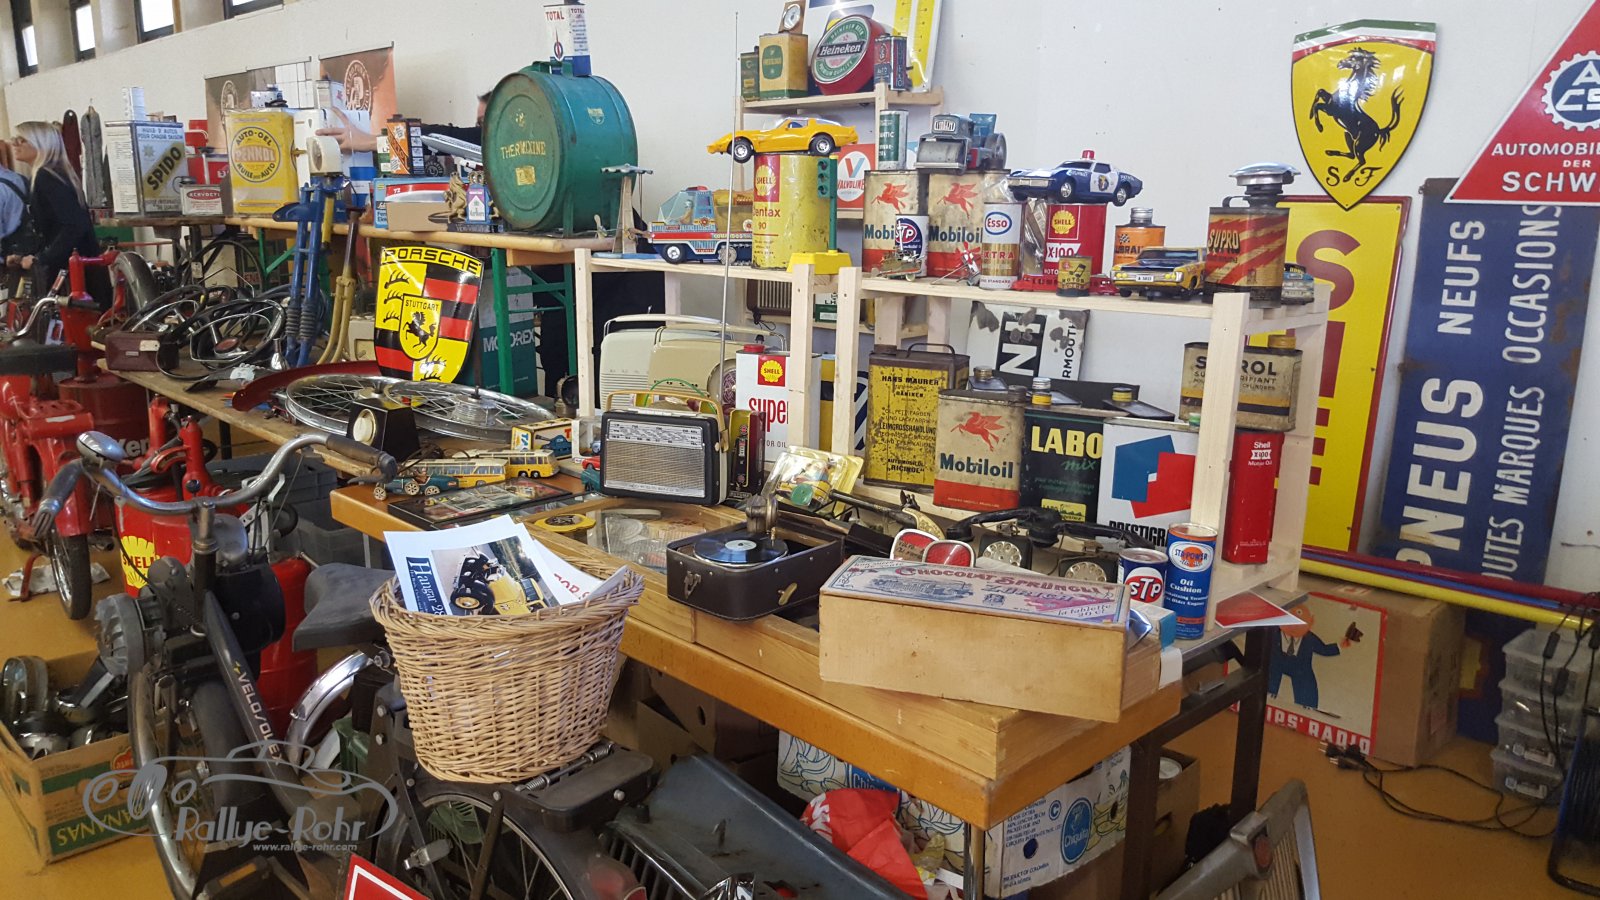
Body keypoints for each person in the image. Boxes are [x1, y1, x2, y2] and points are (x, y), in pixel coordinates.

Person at [6, 121, 105, 305]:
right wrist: (26, 254)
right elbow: (53, 228)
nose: (14, 144)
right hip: (73, 266)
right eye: (15, 139)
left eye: (22, 140)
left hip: (73, 273)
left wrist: (42, 258)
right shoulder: (52, 174)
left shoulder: (47, 177)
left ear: (40, 143)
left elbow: (74, 225)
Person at [318, 92, 488, 153]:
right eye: (478, 125)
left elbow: (446, 137)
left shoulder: (493, 141)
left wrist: (369, 141)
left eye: (483, 125)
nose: (478, 131)